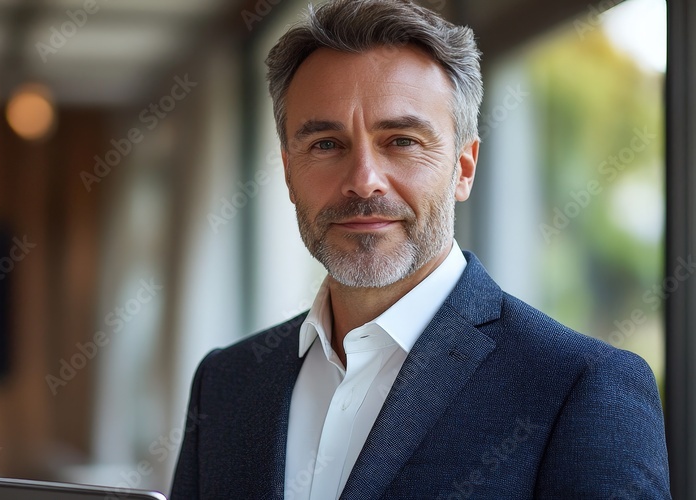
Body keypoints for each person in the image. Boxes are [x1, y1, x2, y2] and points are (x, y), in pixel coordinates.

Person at [169, 0, 671, 498]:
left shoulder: (581, 387)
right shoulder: (226, 383)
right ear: (287, 171)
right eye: (325, 144)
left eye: (402, 141)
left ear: (464, 167)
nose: (363, 180)